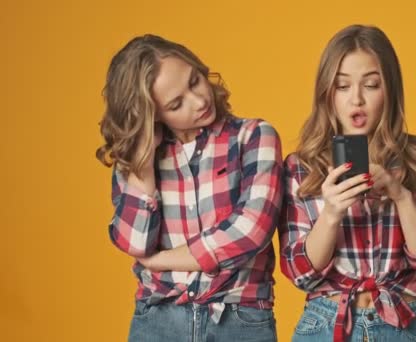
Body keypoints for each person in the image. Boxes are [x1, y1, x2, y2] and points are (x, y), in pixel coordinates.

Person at [279, 25, 416, 342]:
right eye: (342, 86)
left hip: (405, 322)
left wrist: (401, 196)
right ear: (327, 93)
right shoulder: (301, 167)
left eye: (372, 85)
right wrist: (332, 214)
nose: (357, 99)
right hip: (326, 324)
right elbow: (301, 275)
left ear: (390, 90)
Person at [96, 34, 282, 342]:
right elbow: (136, 244)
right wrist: (142, 168)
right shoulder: (137, 160)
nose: (199, 101)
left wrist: (160, 262)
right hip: (157, 320)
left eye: (195, 81)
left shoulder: (252, 137)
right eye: (176, 104)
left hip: (239, 319)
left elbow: (251, 231)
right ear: (152, 114)